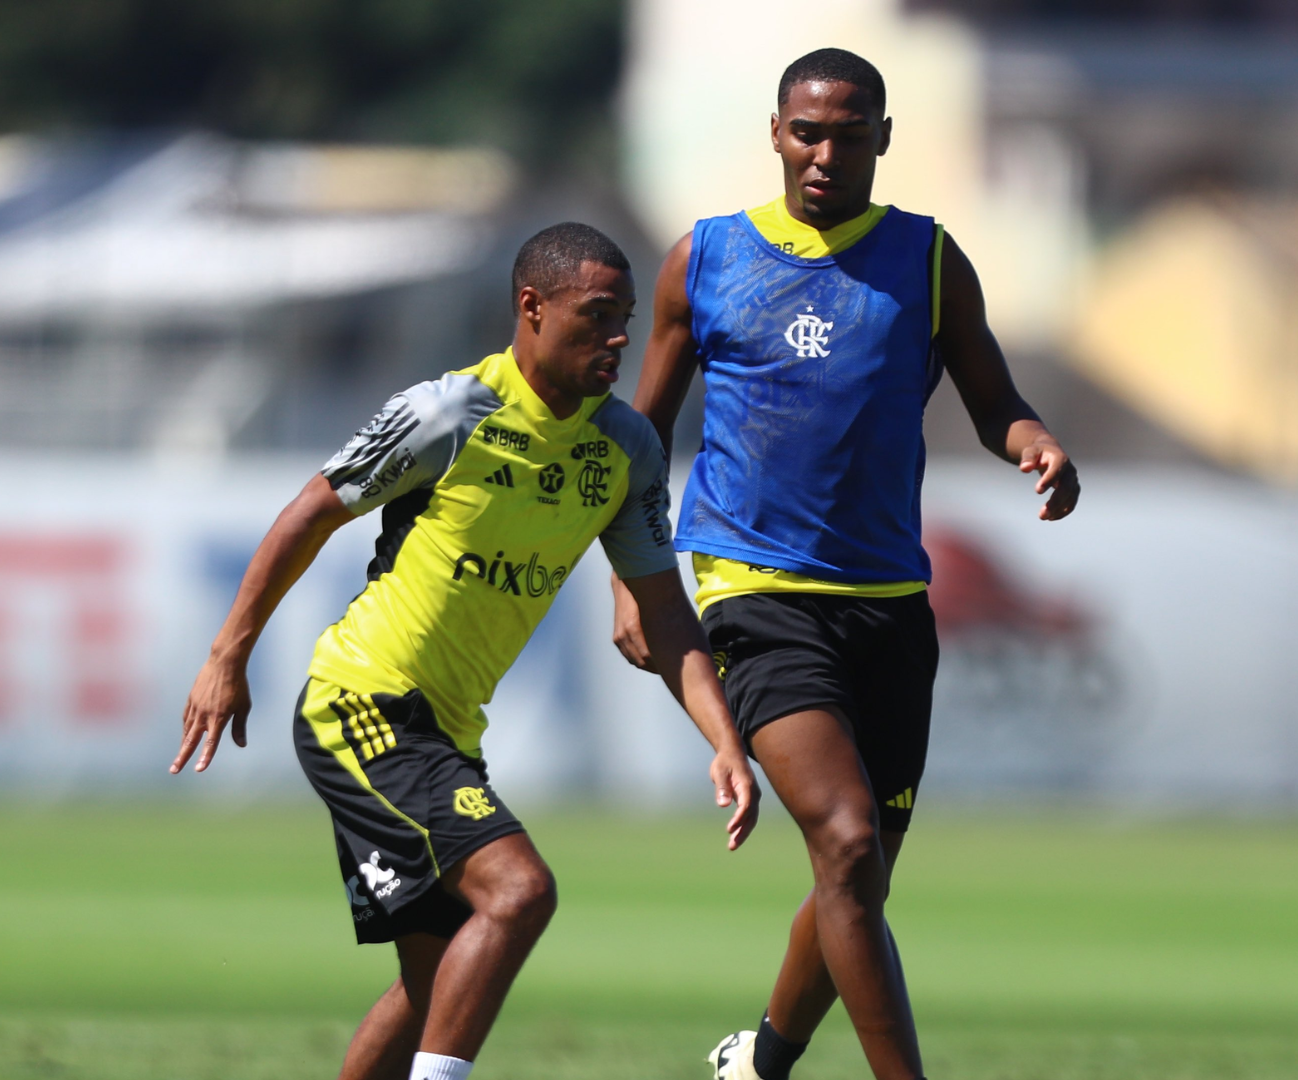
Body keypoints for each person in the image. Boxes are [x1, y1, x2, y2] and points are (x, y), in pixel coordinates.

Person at [173, 223, 759, 1080]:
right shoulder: (447, 411)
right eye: (598, 316)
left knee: (435, 987)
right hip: (363, 703)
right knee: (520, 891)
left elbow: (666, 613)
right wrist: (229, 653)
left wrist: (724, 737)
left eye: (627, 318)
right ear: (532, 308)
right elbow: (312, 510)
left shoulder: (626, 449)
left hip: (447, 735)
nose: (620, 338)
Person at [613, 48, 1080, 1080]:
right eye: (806, 131)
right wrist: (630, 583)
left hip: (889, 607)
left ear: (883, 138)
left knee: (855, 876)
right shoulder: (708, 258)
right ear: (776, 134)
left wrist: (1034, 440)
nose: (826, 152)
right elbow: (636, 439)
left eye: (849, 131)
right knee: (849, 841)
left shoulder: (927, 259)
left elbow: (993, 398)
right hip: (753, 593)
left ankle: (761, 1062)